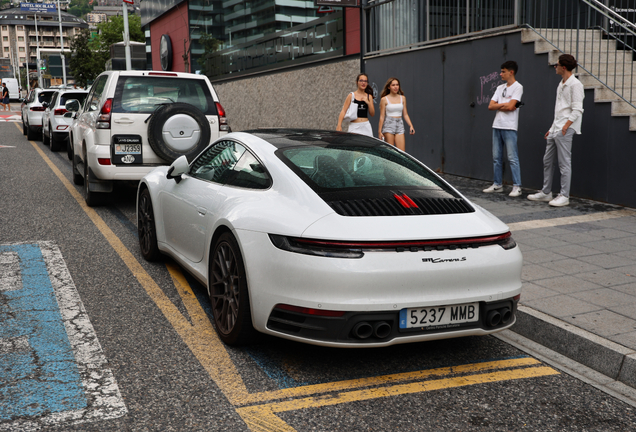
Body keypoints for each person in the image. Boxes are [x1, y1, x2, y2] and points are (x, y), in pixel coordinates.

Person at [528, 54, 584, 207]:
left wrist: (565, 127)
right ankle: (546, 192)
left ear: (563, 67)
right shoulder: (561, 84)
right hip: (556, 128)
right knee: (547, 160)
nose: (555, 67)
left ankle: (564, 195)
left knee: (564, 163)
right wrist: (552, 128)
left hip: (565, 129)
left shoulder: (575, 84)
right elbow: (559, 110)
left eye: (557, 65)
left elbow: (578, 109)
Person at [483, 61, 523, 197]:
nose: (500, 74)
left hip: (510, 127)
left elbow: (512, 107)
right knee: (496, 157)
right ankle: (497, 184)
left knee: (512, 157)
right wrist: (505, 104)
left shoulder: (518, 87)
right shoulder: (500, 88)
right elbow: (490, 106)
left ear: (511, 72)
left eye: (503, 71)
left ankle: (517, 186)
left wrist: (499, 105)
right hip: (497, 125)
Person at [378, 77, 415, 151]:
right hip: (389, 124)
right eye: (393, 85)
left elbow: (405, 114)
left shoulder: (403, 98)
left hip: (399, 124)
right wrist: (379, 131)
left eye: (397, 85)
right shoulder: (384, 99)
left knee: (401, 152)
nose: (395, 87)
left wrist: (411, 126)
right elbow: (382, 116)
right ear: (389, 87)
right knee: (390, 151)